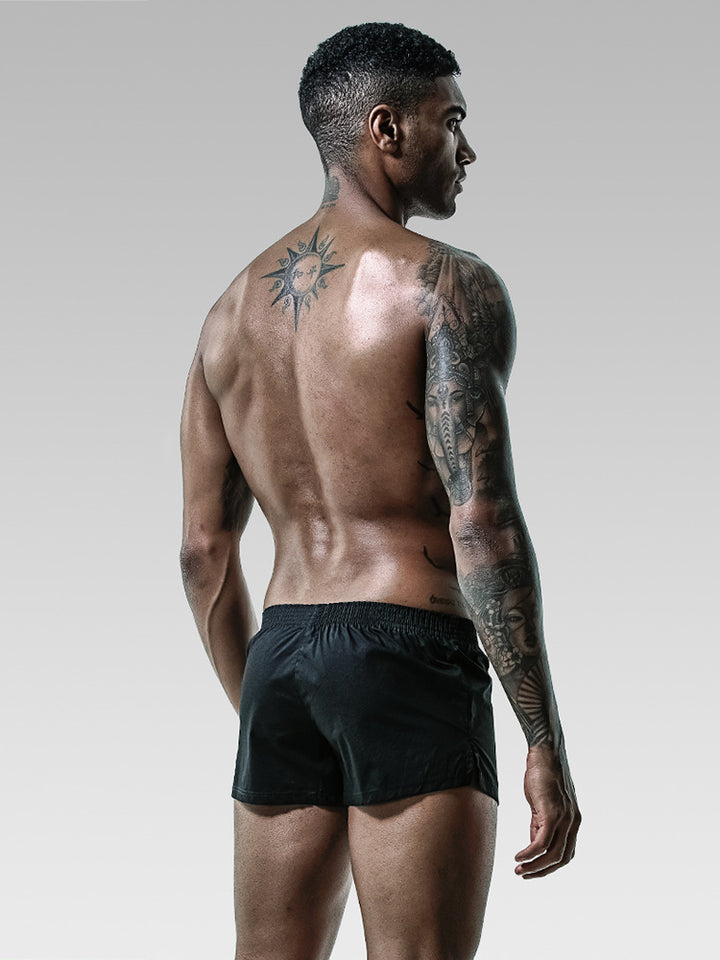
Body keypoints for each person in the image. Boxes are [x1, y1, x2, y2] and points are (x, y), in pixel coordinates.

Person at [180, 21, 580, 960]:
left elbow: (203, 553)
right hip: (406, 650)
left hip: (280, 656)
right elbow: (482, 523)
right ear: (387, 128)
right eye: (454, 121)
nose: (468, 149)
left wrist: (269, 706)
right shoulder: (444, 286)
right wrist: (542, 737)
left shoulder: (227, 315)